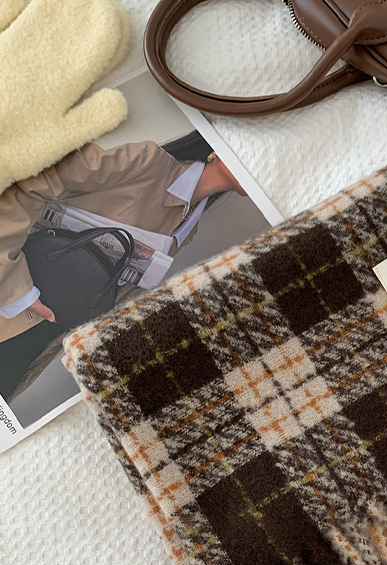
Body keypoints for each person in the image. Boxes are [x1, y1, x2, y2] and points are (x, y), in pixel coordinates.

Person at [0, 131, 246, 399]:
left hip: (45, 336)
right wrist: (17, 291)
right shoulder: (149, 163)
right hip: (11, 302)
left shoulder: (189, 228)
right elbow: (27, 181)